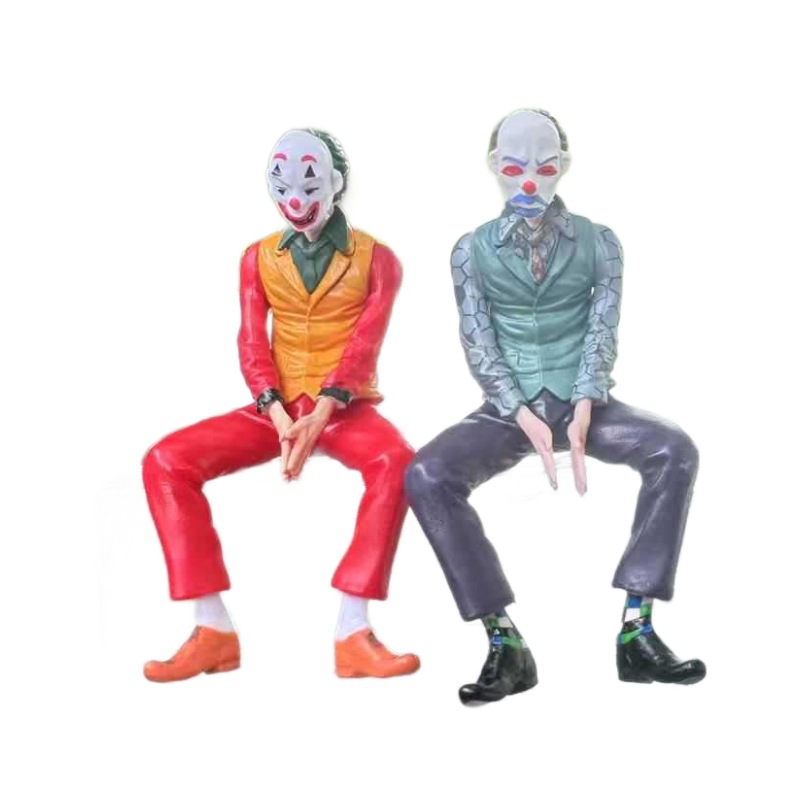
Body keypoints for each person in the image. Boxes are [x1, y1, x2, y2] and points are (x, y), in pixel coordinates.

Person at [405, 109, 705, 705]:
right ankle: (505, 643)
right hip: (508, 409)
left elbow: (603, 323)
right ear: (494, 167)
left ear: (563, 167)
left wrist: (587, 397)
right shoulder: (470, 251)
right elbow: (477, 337)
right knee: (426, 474)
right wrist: (517, 409)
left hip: (582, 399)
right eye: (514, 168)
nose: (528, 183)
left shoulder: (600, 242)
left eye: (544, 169)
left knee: (674, 449)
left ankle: (638, 632)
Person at [142, 128, 419, 683]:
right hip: (279, 408)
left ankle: (353, 630)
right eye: (282, 185)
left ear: (336, 183)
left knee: (398, 462)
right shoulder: (257, 257)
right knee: (165, 461)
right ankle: (211, 629)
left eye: (310, 184)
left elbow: (365, 343)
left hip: (342, 407)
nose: (295, 198)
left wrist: (324, 411)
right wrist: (275, 411)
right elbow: (251, 340)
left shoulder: (378, 259)